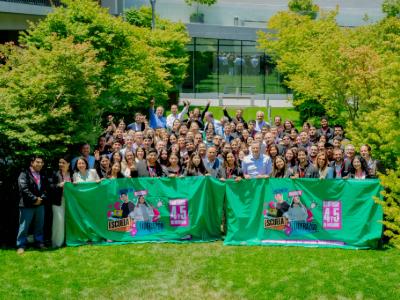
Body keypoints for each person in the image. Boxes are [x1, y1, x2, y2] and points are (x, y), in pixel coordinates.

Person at [16, 156, 48, 254]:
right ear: (32, 163)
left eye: (41, 162)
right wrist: (34, 199)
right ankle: (21, 245)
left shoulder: (42, 174)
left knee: (39, 225)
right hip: (27, 205)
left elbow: (46, 188)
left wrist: (41, 198)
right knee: (24, 227)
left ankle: (39, 242)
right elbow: (23, 189)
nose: (40, 164)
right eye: (37, 162)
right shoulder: (24, 174)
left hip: (40, 205)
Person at [49, 155, 72, 248]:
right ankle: (57, 243)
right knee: (58, 221)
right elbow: (49, 186)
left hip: (71, 201)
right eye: (60, 162)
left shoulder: (73, 173)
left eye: (63, 163)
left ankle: (69, 240)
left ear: (68, 164)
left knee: (71, 221)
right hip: (58, 200)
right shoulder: (55, 173)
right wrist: (59, 185)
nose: (61, 164)